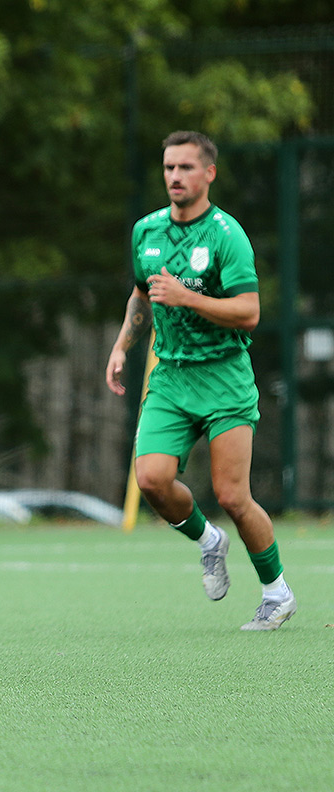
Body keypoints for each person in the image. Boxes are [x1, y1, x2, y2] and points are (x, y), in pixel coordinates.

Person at [106, 130, 296, 631]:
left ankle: (277, 592)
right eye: (169, 168)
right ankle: (209, 542)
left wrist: (188, 298)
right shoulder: (145, 231)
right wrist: (122, 346)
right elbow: (142, 295)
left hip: (224, 377)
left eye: (186, 168)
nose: (175, 177)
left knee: (233, 495)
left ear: (208, 173)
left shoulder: (226, 235)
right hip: (170, 377)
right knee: (151, 479)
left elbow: (249, 312)